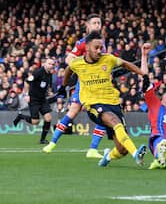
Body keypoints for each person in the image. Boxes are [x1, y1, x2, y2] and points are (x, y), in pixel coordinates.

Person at [62, 31, 147, 166]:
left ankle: (107, 157)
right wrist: (64, 85)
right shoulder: (77, 63)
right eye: (96, 48)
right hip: (93, 104)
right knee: (114, 121)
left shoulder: (108, 58)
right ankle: (136, 153)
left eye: (101, 47)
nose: (99, 51)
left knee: (122, 150)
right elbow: (68, 69)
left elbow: (126, 64)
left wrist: (143, 75)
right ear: (87, 47)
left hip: (113, 103)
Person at [43, 13, 114, 158]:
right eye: (94, 23)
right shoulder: (83, 42)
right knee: (73, 111)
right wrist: (83, 67)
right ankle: (53, 142)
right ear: (87, 26)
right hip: (84, 84)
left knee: (103, 114)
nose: (97, 26)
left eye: (99, 23)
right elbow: (69, 58)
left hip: (99, 85)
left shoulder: (102, 43)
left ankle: (93, 149)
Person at [13, 58, 56, 144]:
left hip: (42, 99)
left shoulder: (50, 75)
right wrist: (26, 95)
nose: (51, 65)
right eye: (49, 64)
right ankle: (21, 116)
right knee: (35, 122)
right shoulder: (38, 72)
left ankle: (42, 139)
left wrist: (50, 92)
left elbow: (47, 87)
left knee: (48, 118)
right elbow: (27, 81)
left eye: (53, 64)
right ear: (45, 64)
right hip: (34, 99)